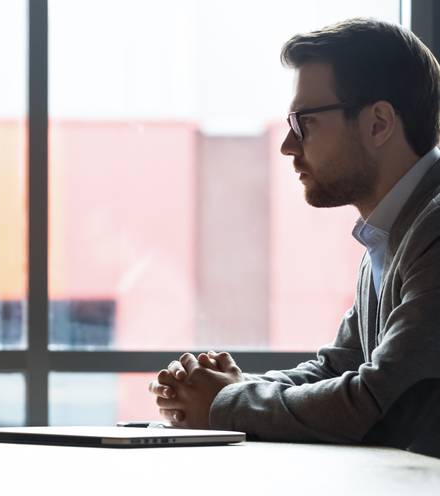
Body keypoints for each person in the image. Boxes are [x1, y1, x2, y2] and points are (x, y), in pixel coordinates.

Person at [149, 18, 440, 457]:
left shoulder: (433, 227)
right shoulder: (393, 231)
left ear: (378, 123)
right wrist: (226, 388)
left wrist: (225, 402)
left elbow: (384, 405)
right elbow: (338, 368)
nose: (288, 144)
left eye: (304, 122)